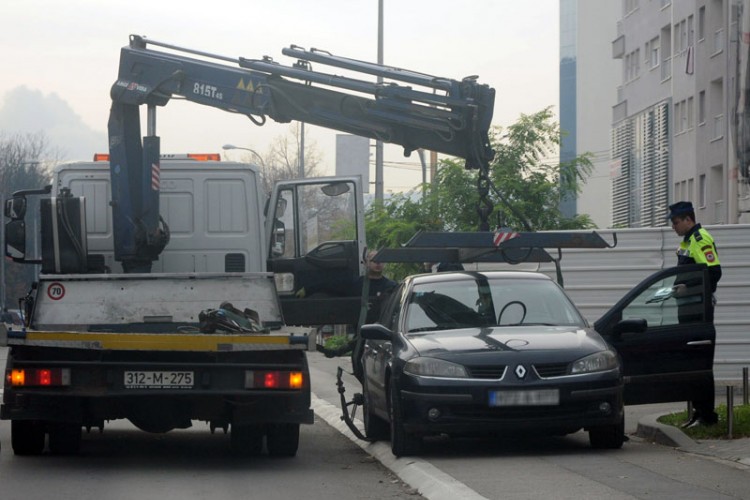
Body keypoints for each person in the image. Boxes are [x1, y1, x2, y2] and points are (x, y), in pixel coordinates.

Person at [668, 200, 722, 427]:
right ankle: (698, 412)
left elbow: (714, 273)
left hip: (698, 311)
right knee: (690, 363)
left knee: (700, 362)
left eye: (676, 222)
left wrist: (688, 289)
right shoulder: (686, 242)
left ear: (688, 219)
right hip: (688, 310)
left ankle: (707, 416)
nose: (674, 226)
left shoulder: (701, 240)